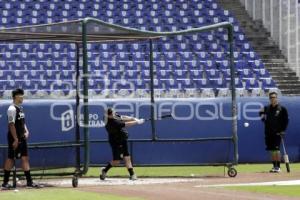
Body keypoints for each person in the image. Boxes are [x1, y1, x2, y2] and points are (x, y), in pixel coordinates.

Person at [2, 88, 40, 189]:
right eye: (20, 95)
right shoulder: (12, 109)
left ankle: (29, 182)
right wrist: (15, 139)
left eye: (22, 95)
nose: (22, 97)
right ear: (15, 97)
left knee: (25, 158)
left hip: (22, 137)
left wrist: (26, 131)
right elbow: (11, 125)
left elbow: (23, 122)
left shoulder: (21, 108)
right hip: (14, 137)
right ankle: (5, 183)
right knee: (11, 158)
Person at [100, 108, 145, 181]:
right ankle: (104, 170)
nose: (114, 115)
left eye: (114, 113)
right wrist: (137, 122)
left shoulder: (113, 115)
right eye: (112, 114)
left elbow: (122, 117)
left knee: (127, 157)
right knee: (117, 161)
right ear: (108, 115)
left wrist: (133, 118)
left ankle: (132, 174)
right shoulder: (110, 122)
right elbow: (125, 124)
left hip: (122, 138)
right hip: (116, 141)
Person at [259, 92, 289, 173]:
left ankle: (278, 167)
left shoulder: (282, 109)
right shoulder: (267, 108)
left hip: (277, 133)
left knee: (276, 150)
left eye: (274, 97)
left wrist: (283, 130)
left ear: (277, 98)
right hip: (268, 133)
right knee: (272, 150)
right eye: (271, 97)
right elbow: (261, 113)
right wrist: (263, 118)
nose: (273, 99)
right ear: (269, 99)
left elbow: (286, 121)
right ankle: (274, 166)